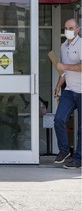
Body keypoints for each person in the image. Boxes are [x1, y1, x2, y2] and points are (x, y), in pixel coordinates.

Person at [53, 18, 81, 169]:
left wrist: (65, 66)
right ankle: (64, 151)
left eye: (71, 28)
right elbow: (63, 72)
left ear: (77, 30)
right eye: (66, 28)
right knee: (59, 119)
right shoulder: (63, 46)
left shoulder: (81, 44)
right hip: (69, 90)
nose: (68, 31)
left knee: (81, 128)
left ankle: (78, 160)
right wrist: (58, 86)